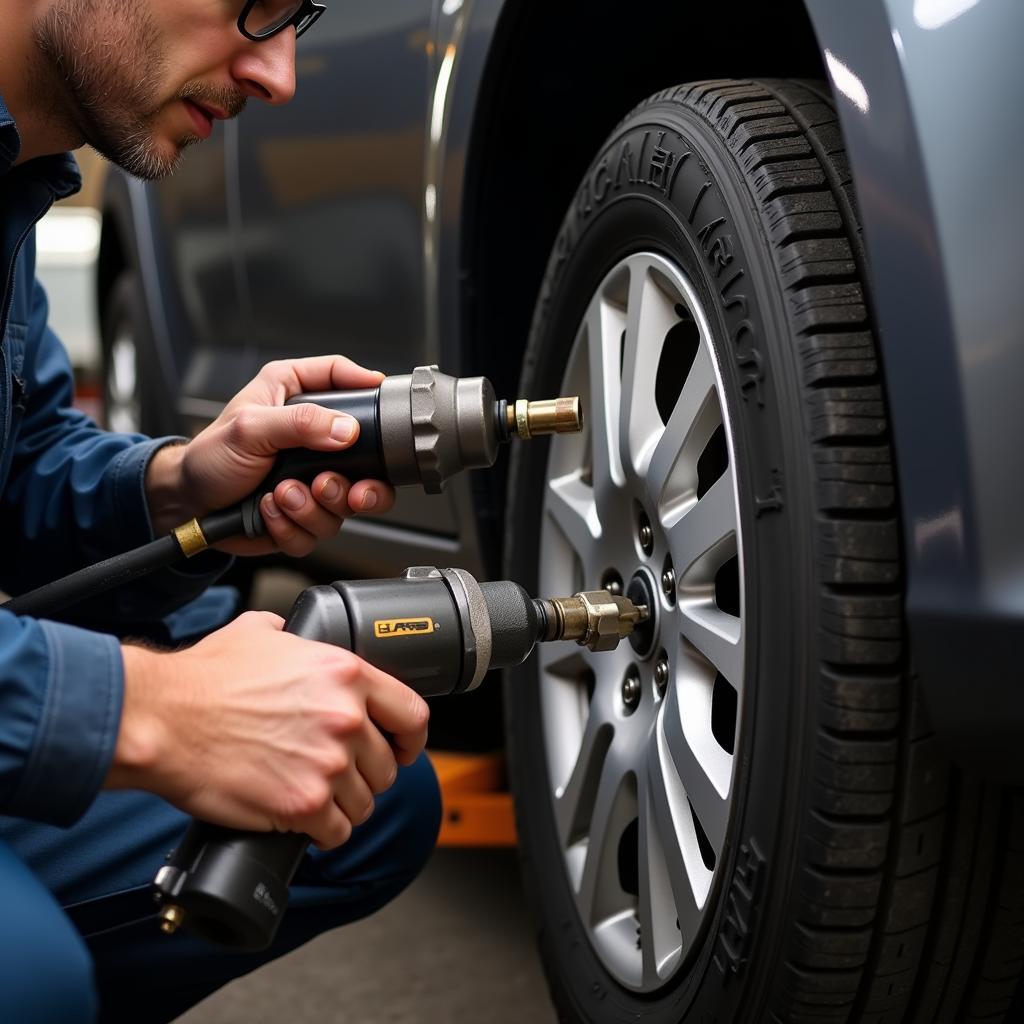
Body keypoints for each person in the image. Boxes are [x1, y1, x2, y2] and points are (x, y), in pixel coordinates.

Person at [0, 2, 441, 1020]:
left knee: (356, 797)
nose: (278, 74)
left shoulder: (17, 179)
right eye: (257, 3)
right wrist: (152, 712)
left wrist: (175, 488)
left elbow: (18, 465)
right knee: (29, 977)